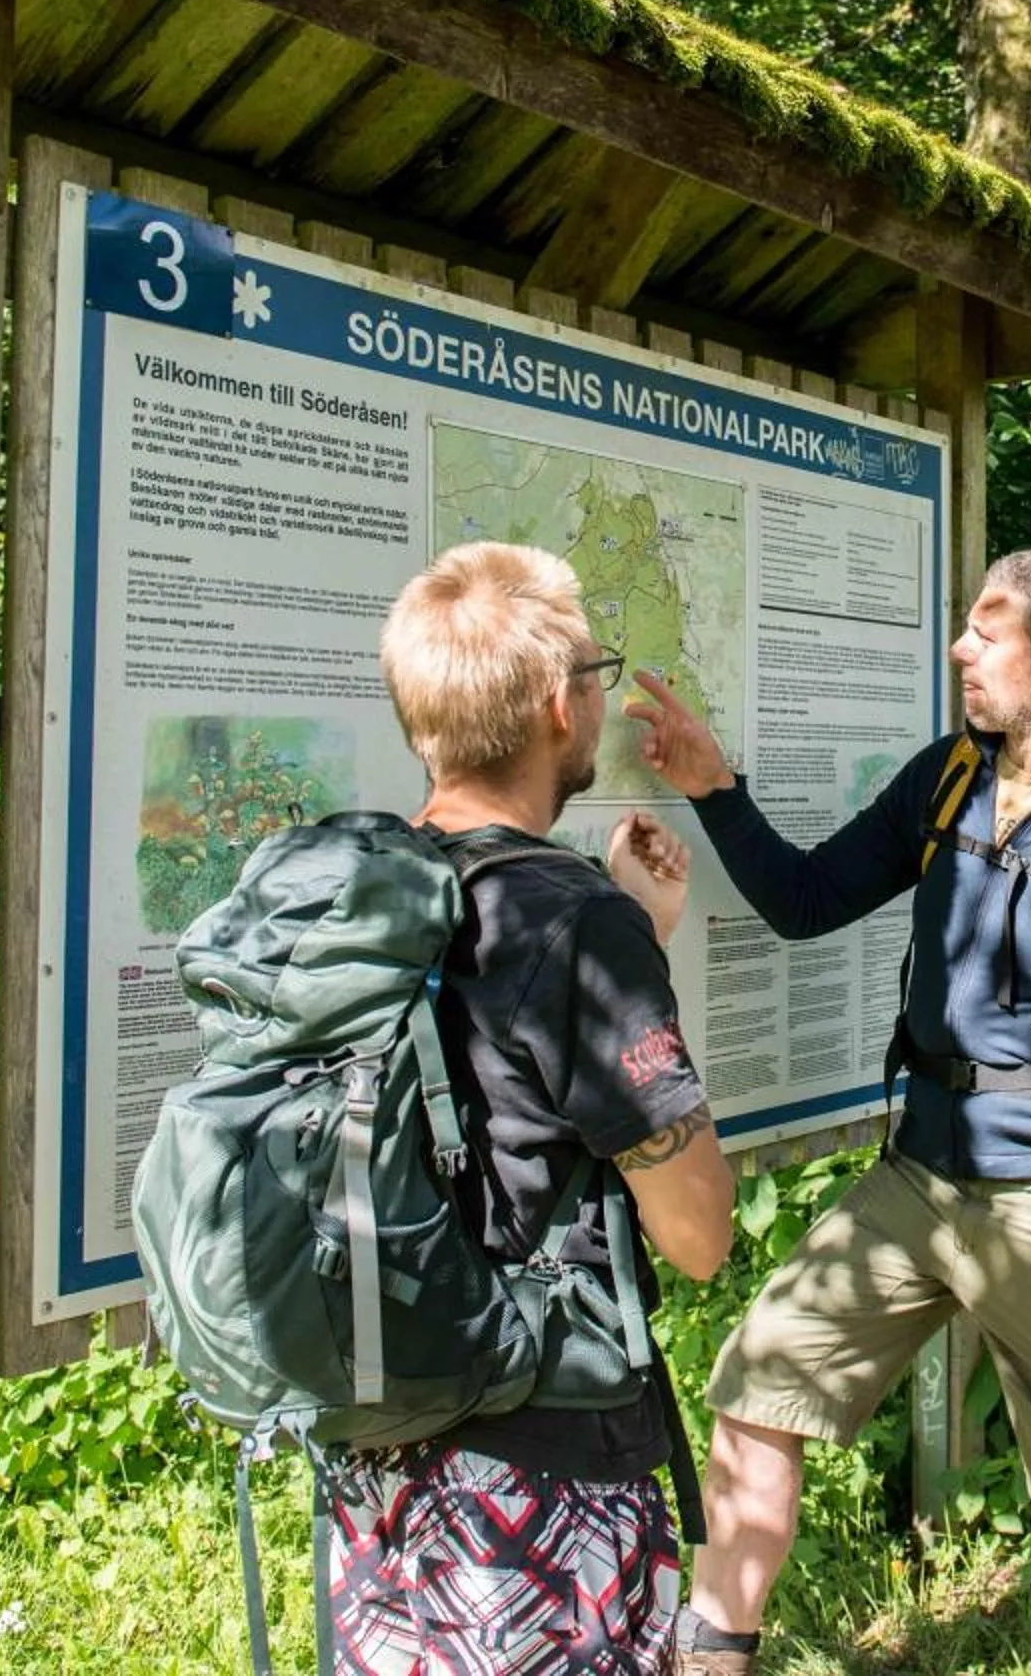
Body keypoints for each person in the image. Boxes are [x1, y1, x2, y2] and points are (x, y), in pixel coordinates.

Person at [627, 548, 1031, 1676]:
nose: (960, 648)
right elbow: (809, 900)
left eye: (986, 631)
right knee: (757, 1381)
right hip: (916, 1179)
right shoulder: (948, 778)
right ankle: (716, 1653)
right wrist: (716, 788)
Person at [329, 540, 739, 1676]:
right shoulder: (569, 922)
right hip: (539, 1479)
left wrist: (632, 925)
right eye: (599, 672)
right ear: (562, 704)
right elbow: (699, 1233)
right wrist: (624, 943)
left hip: (376, 1462)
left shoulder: (372, 886)